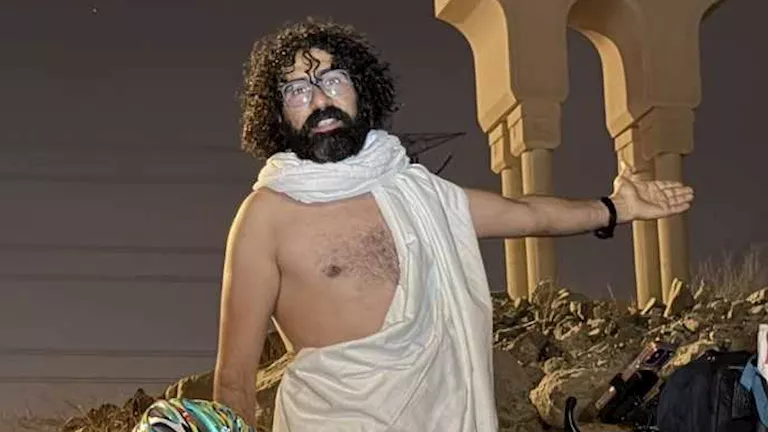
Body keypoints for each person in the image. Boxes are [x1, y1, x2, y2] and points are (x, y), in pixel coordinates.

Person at [134, 17, 694, 432]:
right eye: (298, 90)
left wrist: (616, 207)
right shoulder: (266, 216)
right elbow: (235, 378)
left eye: (332, 80)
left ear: (361, 90)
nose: (320, 99)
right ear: (278, 114)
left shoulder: (414, 190)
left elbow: (528, 213)